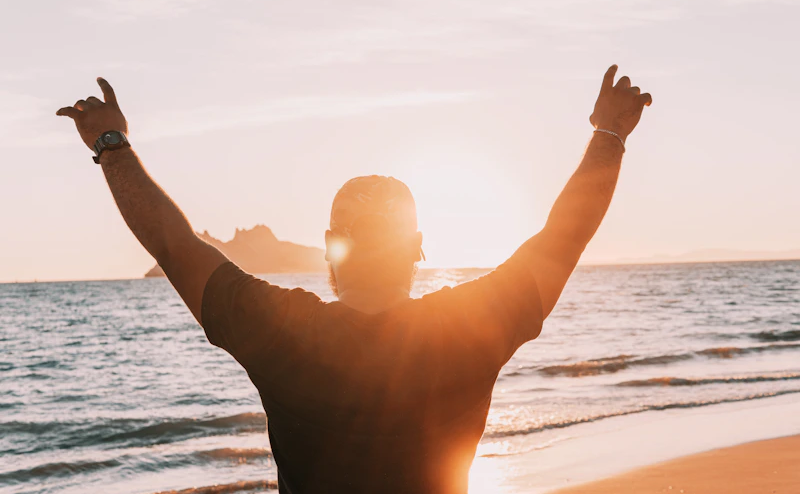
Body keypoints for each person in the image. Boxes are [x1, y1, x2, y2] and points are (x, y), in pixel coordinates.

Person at [57, 65, 651, 494]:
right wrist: (609, 135)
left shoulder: (281, 330)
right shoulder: (470, 328)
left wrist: (112, 145)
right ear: (418, 249)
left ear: (329, 250)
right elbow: (564, 236)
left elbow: (172, 243)